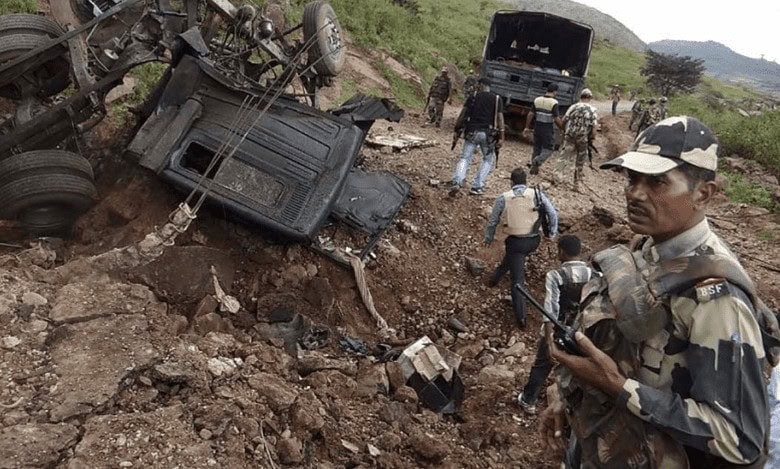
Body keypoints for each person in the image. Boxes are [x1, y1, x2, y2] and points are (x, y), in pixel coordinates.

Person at [539, 116, 780, 468]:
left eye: (657, 182)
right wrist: (565, 393)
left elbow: (740, 438)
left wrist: (618, 387)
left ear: (703, 193)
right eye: (632, 179)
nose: (635, 193)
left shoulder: (718, 298)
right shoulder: (645, 248)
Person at [517, 235, 598, 415]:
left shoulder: (555, 276)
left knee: (542, 365)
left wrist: (548, 340)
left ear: (561, 251)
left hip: (558, 328)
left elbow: (550, 310)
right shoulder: (594, 275)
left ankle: (529, 400)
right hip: (584, 330)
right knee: (580, 368)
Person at [484, 168, 559, 328]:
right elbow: (552, 214)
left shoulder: (503, 198)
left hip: (516, 243)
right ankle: (494, 278)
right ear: (525, 182)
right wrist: (552, 233)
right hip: (534, 241)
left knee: (517, 280)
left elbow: (493, 221)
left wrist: (488, 237)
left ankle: (521, 318)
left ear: (511, 182)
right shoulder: (537, 194)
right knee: (511, 259)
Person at [449, 78, 504, 196]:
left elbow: (463, 114)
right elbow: (500, 119)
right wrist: (501, 137)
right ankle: (477, 186)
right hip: (488, 135)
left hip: (471, 132)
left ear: (481, 85)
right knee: (487, 160)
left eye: (478, 84)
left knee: (465, 158)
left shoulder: (473, 97)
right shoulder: (497, 99)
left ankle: (457, 181)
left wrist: (456, 130)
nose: (476, 86)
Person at [561, 88, 598, 191]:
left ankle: (556, 177)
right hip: (582, 138)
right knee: (580, 161)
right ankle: (576, 184)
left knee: (564, 156)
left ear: (581, 96)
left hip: (570, 136)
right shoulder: (592, 110)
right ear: (590, 98)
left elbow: (564, 119)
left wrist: (563, 130)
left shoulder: (573, 107)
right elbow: (594, 127)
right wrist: (592, 137)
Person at [524, 83, 564, 175]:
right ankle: (537, 161)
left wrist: (527, 126)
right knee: (549, 148)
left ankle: (534, 170)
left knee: (537, 148)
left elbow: (530, 114)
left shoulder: (537, 100)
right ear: (555, 92)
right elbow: (556, 118)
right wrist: (562, 128)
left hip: (537, 126)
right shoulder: (554, 102)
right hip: (547, 128)